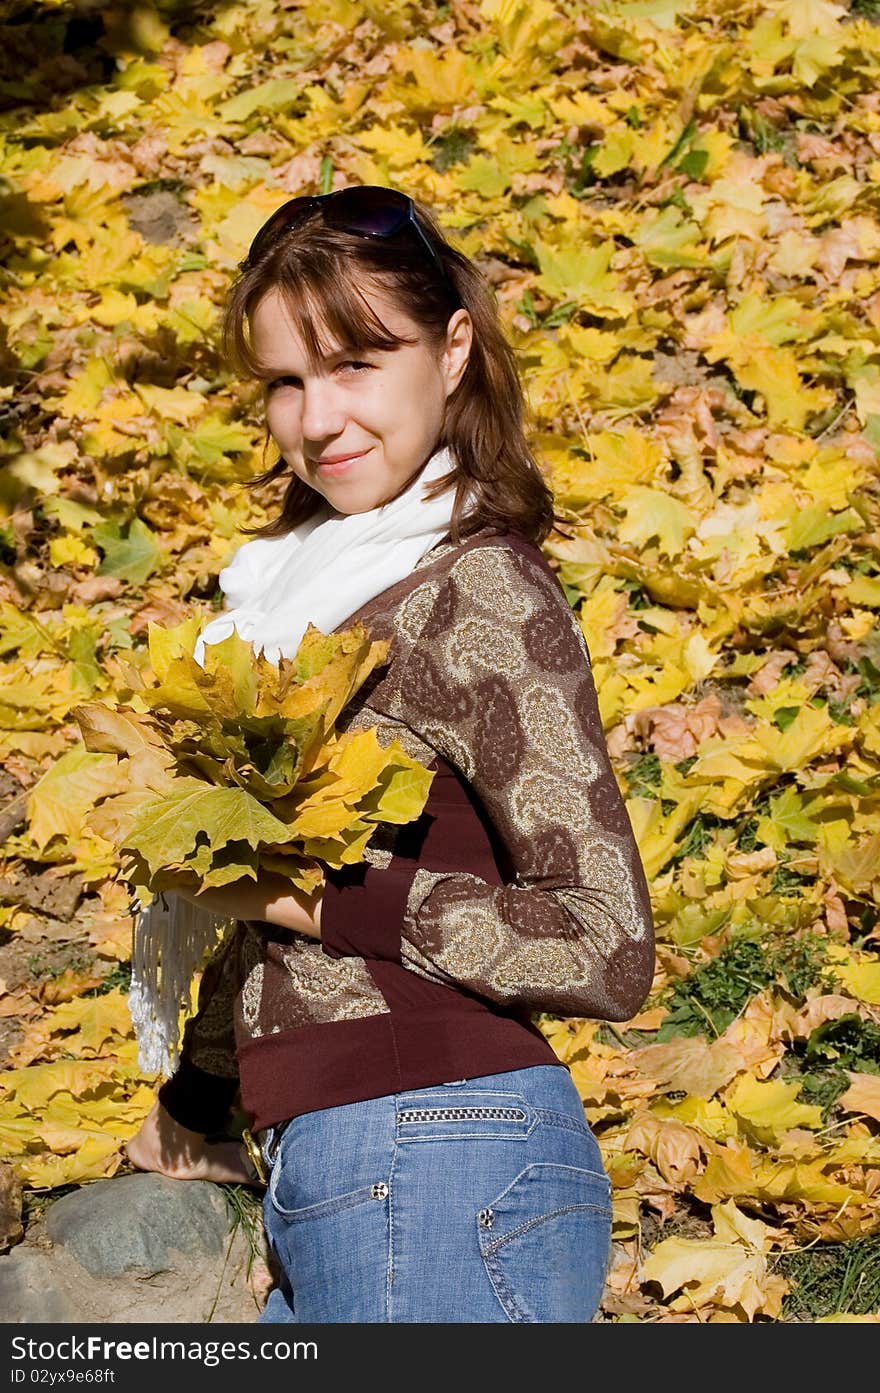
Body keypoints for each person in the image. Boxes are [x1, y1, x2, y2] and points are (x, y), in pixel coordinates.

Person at [125, 184, 656, 1324]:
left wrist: (312, 900)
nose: (318, 418)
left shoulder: (476, 589)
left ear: (453, 349)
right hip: (334, 1169)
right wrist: (200, 1095)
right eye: (284, 380)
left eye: (358, 362)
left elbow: (606, 941)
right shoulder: (288, 604)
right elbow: (258, 909)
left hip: (445, 1146)